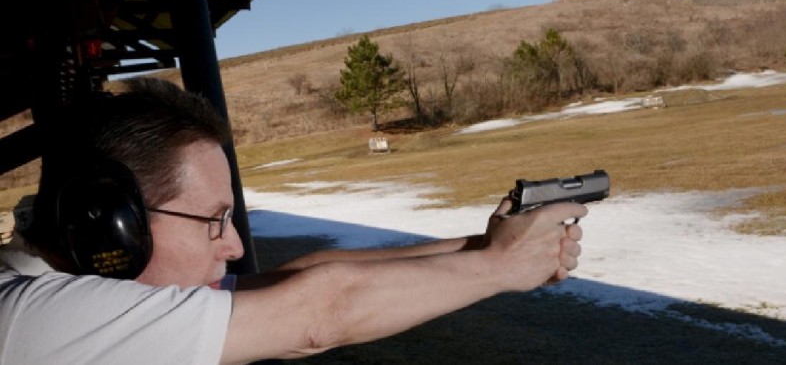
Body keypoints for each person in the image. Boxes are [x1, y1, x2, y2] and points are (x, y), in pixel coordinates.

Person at [0, 77, 587, 364]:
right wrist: (501, 267)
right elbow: (318, 314)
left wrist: (478, 246)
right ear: (112, 223)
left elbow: (296, 280)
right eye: (212, 221)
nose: (232, 246)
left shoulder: (80, 291)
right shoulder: (33, 323)